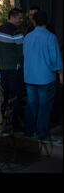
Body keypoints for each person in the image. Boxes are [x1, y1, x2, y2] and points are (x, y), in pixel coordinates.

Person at [23, 10, 63, 143]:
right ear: (46, 22)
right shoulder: (51, 37)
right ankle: (42, 134)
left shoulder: (27, 37)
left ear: (33, 21)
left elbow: (25, 55)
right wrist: (60, 74)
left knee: (31, 105)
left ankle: (28, 132)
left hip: (30, 77)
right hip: (45, 77)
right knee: (44, 107)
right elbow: (55, 58)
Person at [0, 7, 24, 132]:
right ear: (13, 17)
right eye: (19, 18)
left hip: (3, 68)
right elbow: (22, 52)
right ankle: (15, 125)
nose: (21, 20)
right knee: (16, 96)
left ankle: (5, 124)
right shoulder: (16, 31)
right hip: (15, 69)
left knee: (5, 96)